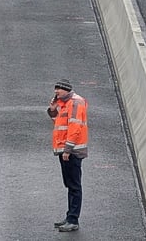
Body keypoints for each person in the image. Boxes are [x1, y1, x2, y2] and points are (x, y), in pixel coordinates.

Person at [47, 79, 88, 232]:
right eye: (55, 89)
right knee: (70, 185)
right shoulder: (64, 103)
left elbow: (75, 127)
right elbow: (59, 124)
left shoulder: (75, 103)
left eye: (58, 89)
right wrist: (52, 110)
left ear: (66, 90)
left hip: (72, 151)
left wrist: (67, 149)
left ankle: (73, 220)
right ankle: (70, 217)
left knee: (74, 186)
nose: (56, 91)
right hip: (66, 150)